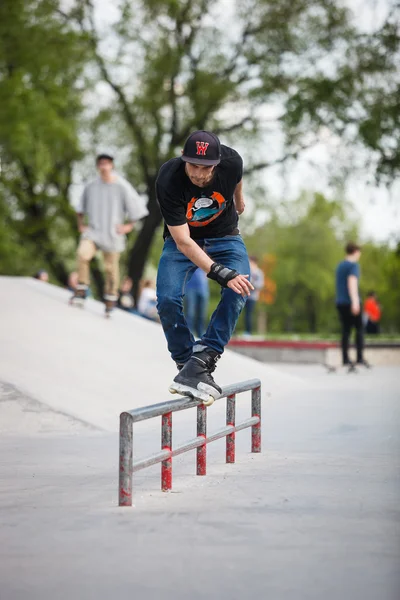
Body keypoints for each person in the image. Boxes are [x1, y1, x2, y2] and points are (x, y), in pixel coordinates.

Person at [156, 130, 254, 405]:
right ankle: (187, 363)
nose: (198, 174)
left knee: (240, 287)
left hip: (225, 236)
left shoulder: (231, 161)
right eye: (193, 166)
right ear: (184, 160)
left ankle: (205, 356)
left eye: (205, 168)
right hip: (184, 241)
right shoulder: (169, 179)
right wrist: (221, 273)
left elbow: (238, 174)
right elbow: (184, 242)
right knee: (167, 299)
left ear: (218, 163)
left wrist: (239, 200)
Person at [72, 153, 148, 316]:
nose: (104, 167)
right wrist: (81, 225)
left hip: (113, 234)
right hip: (93, 231)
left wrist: (128, 227)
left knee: (111, 269)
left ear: (112, 165)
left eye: (107, 163)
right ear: (98, 166)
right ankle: (81, 288)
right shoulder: (91, 185)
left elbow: (137, 209)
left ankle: (110, 297)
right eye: (101, 164)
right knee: (82, 254)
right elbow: (79, 207)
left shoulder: (122, 186)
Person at [335, 242, 369, 369]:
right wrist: (355, 301)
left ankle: (345, 359)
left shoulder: (340, 266)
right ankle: (359, 358)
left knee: (346, 330)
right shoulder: (353, 266)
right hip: (351, 302)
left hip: (340, 302)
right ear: (355, 251)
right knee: (359, 329)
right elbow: (352, 282)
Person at [184, 268, 209, 338]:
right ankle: (188, 335)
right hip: (190, 288)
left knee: (202, 315)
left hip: (203, 289)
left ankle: (200, 336)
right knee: (190, 313)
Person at [243, 256, 264, 337]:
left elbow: (260, 285)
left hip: (252, 297)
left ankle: (248, 332)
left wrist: (252, 283)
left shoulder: (259, 273)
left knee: (249, 315)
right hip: (244, 296)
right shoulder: (247, 272)